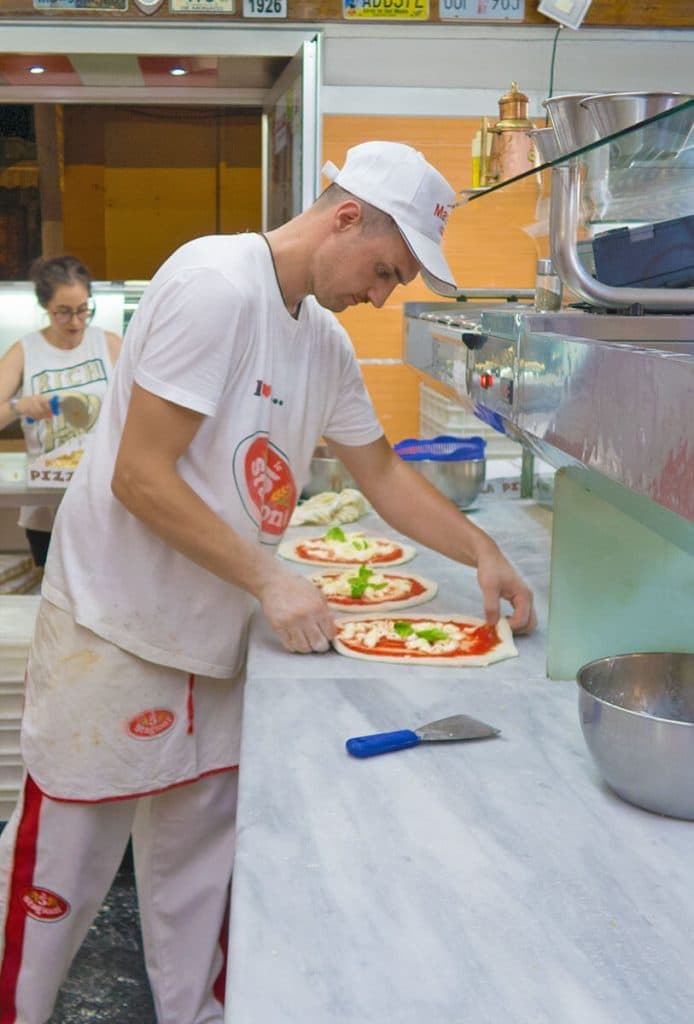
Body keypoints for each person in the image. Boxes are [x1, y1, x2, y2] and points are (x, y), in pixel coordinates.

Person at [0, 141, 536, 1023]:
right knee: (60, 881)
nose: (381, 293)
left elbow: (386, 477)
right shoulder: (215, 284)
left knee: (195, 885)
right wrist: (271, 579)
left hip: (215, 648)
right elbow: (141, 475)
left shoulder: (321, 342)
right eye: (386, 270)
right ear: (346, 215)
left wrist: (480, 551)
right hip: (114, 634)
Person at [0, 255, 122, 566]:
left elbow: (140, 408)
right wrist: (17, 407)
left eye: (83, 309)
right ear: (46, 308)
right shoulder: (25, 350)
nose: (76, 321)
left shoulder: (108, 345)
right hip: (46, 506)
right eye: (64, 313)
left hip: (104, 498)